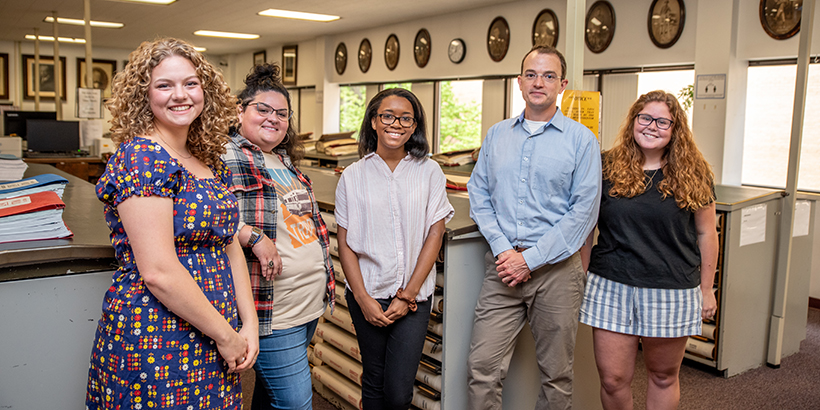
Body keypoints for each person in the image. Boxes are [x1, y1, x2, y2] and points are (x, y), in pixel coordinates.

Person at [85, 38, 258, 410]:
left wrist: (249, 324)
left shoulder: (211, 161)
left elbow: (230, 247)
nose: (180, 95)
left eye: (190, 83)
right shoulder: (142, 156)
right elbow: (159, 271)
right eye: (164, 85)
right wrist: (227, 336)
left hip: (218, 330)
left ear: (205, 91)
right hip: (158, 335)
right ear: (143, 95)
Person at [466, 44, 602, 410]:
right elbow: (479, 194)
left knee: (556, 376)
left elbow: (584, 213)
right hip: (503, 270)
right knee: (482, 368)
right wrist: (504, 250)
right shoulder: (497, 136)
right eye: (531, 74)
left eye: (548, 75)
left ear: (563, 84)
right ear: (519, 82)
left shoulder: (582, 141)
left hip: (557, 272)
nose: (538, 82)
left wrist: (532, 260)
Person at [579, 90, 718, 410]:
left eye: (662, 121)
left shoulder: (695, 172)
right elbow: (587, 228)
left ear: (675, 129)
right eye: (645, 118)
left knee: (663, 375)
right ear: (633, 122)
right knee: (613, 380)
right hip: (611, 284)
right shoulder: (607, 166)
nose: (652, 126)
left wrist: (707, 290)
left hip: (671, 287)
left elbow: (706, 232)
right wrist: (582, 276)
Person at [222, 63, 336, 410]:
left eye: (282, 114)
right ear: (240, 111)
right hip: (271, 309)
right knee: (296, 402)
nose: (273, 118)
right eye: (263, 109)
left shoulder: (283, 161)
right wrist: (252, 236)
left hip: (306, 305)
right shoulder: (223, 155)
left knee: (270, 397)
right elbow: (202, 216)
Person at [335, 88, 454, 410]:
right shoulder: (352, 176)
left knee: (399, 391)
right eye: (387, 116)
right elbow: (345, 242)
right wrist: (362, 299)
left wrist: (408, 295)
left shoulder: (430, 172)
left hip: (412, 300)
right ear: (373, 121)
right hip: (367, 293)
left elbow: (435, 233)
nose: (396, 124)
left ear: (415, 126)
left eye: (405, 118)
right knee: (373, 379)